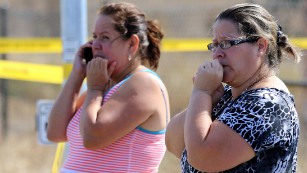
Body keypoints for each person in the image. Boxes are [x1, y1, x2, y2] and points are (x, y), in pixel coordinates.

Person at [165, 3, 301, 173]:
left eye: (227, 43)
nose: (217, 53)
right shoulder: (232, 95)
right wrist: (207, 101)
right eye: (215, 45)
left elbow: (202, 157)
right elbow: (173, 141)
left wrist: (202, 92)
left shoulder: (268, 104)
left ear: (260, 46)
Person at [47, 2, 170, 173]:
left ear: (132, 45)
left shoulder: (143, 84)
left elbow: (92, 138)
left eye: (105, 37)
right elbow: (54, 132)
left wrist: (95, 89)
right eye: (94, 36)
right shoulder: (104, 86)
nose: (95, 45)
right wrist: (77, 75)